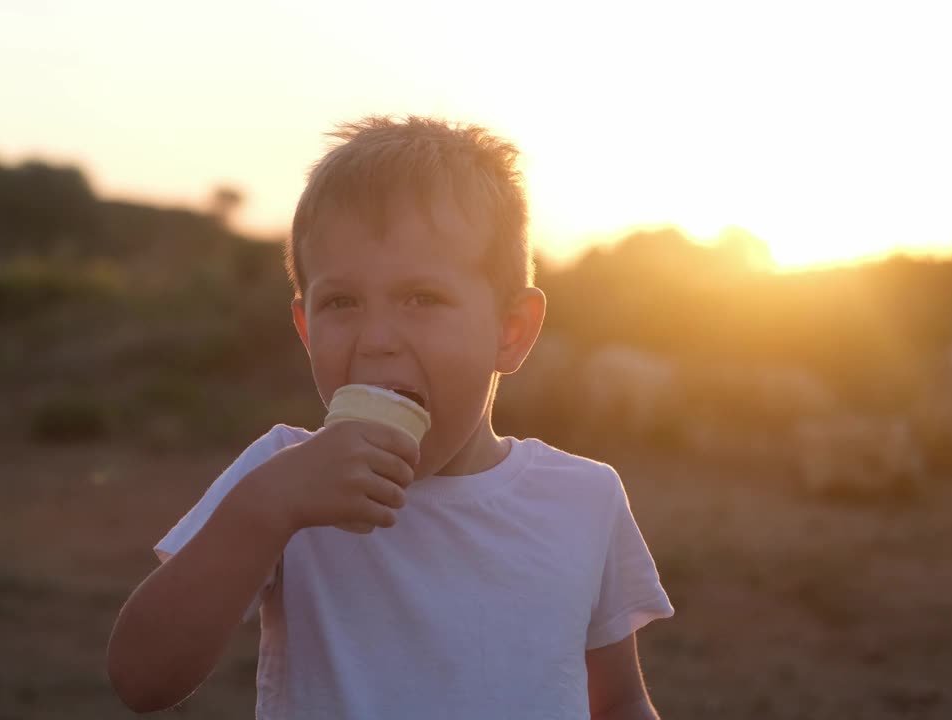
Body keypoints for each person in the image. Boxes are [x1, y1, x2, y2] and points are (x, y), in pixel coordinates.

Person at [107, 115, 674, 719]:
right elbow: (142, 681)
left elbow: (617, 701)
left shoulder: (583, 498)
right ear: (305, 328)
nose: (376, 338)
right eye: (342, 302)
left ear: (510, 332)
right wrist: (266, 509)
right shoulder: (284, 475)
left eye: (421, 299)